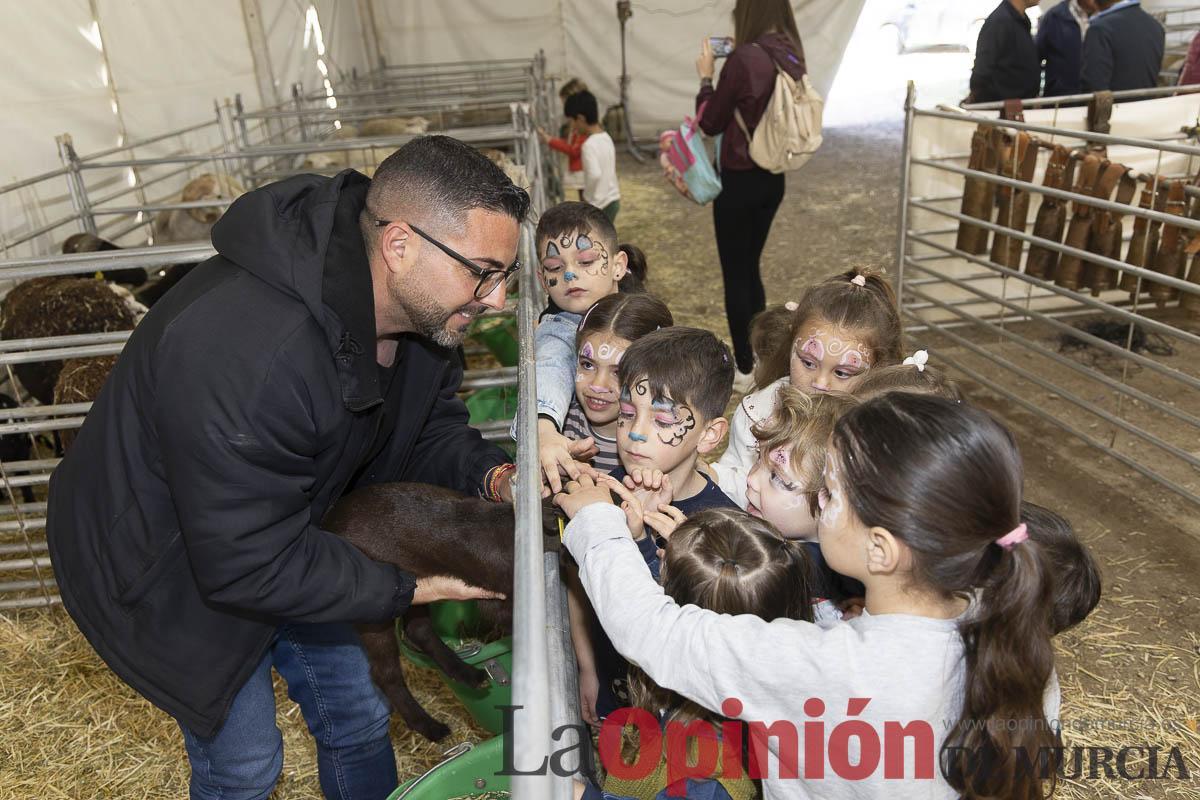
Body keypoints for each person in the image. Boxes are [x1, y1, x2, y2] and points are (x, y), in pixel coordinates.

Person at [46, 136, 530, 800]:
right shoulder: (251, 356)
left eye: (504, 276)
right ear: (400, 246)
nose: (497, 299)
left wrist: (499, 478)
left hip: (290, 522)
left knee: (358, 714)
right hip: (174, 561)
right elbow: (245, 560)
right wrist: (409, 588)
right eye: (483, 271)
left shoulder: (422, 318)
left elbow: (428, 426)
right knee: (247, 761)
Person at [556, 393, 1068, 799]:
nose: (818, 503)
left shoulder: (831, 668)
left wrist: (596, 522)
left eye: (828, 494)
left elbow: (653, 632)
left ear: (881, 549)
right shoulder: (1011, 636)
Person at [574, 507, 811, 800]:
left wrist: (579, 796)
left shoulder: (711, 779)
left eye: (661, 573)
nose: (657, 565)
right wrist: (641, 542)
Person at [557, 292, 674, 728]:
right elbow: (574, 567)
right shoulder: (565, 438)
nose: (599, 385)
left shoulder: (660, 451)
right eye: (587, 364)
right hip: (601, 639)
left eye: (619, 371)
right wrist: (587, 666)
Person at [710, 267, 901, 509]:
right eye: (808, 362)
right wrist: (702, 476)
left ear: (878, 368)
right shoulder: (759, 415)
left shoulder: (880, 435)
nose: (820, 383)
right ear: (791, 345)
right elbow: (736, 478)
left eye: (842, 373)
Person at [694, 0, 806, 391]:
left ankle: (744, 367)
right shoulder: (790, 52)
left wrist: (707, 79)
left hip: (740, 179)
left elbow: (710, 121)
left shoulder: (743, 59)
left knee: (735, 274)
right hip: (773, 177)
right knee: (751, 266)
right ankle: (760, 353)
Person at [521, 202, 646, 490]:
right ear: (542, 279)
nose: (569, 275)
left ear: (618, 265)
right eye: (554, 266)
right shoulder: (559, 329)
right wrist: (542, 427)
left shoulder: (644, 318)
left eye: (586, 261)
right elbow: (550, 364)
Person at [743, 387, 858, 625]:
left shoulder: (790, 569)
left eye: (777, 478)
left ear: (832, 502)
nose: (751, 479)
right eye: (758, 457)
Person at [1081, 0, 1166, 93]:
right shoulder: (1156, 26)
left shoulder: (1100, 29)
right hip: (1146, 105)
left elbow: (1093, 86)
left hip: (1114, 106)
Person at [967, 0, 1041, 104]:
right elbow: (981, 75)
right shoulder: (1000, 22)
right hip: (1004, 112)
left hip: (1022, 106)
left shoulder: (1022, 20)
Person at [564, 90, 621, 221]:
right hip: (612, 198)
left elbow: (594, 174)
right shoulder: (606, 137)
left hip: (599, 204)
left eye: (572, 121)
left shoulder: (588, 145)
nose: (572, 126)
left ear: (581, 119)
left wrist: (587, 197)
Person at [540, 78, 590, 201]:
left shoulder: (584, 127)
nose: (565, 109)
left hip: (584, 172)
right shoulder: (577, 124)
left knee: (587, 201)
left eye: (566, 103)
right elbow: (571, 145)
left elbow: (573, 150)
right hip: (582, 172)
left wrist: (550, 140)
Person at [1037, 0, 1099, 97]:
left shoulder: (1106, 16)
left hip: (1097, 97)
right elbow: (1037, 57)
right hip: (1061, 98)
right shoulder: (1055, 16)